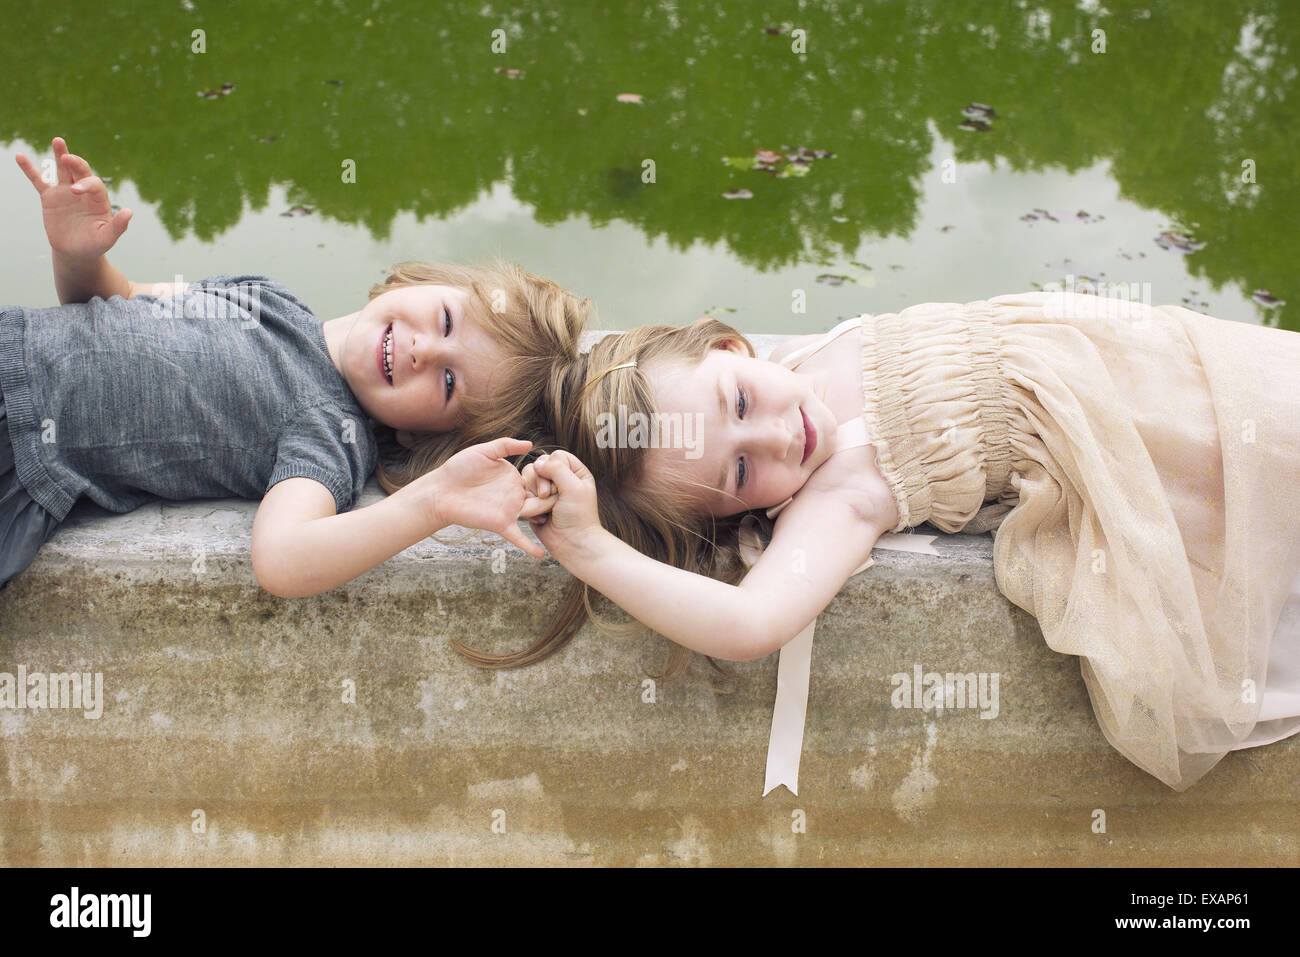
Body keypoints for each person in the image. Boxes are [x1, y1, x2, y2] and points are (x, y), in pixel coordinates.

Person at [481, 292, 1300, 792]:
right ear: (730, 514)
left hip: (1171, 368)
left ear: (728, 344)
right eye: (738, 471)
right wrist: (591, 548)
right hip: (1160, 459)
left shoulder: (820, 355)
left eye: (739, 400)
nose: (776, 436)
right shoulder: (842, 490)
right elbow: (748, 626)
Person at [1, 137, 568, 594]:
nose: (425, 351)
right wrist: (79, 255)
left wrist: (434, 499)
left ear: (420, 432)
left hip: (20, 454)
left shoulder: (331, 433)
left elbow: (283, 560)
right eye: (445, 321)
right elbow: (110, 302)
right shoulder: (270, 295)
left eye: (448, 382)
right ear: (428, 284)